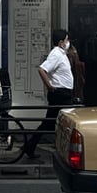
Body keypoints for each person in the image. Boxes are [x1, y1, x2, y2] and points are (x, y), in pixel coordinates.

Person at [20, 28, 74, 161]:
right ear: (61, 42)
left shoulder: (62, 53)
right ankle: (65, 151)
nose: (69, 42)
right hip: (60, 94)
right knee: (64, 122)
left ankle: (30, 146)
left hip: (63, 93)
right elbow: (42, 69)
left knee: (50, 123)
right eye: (67, 39)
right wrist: (49, 86)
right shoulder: (56, 54)